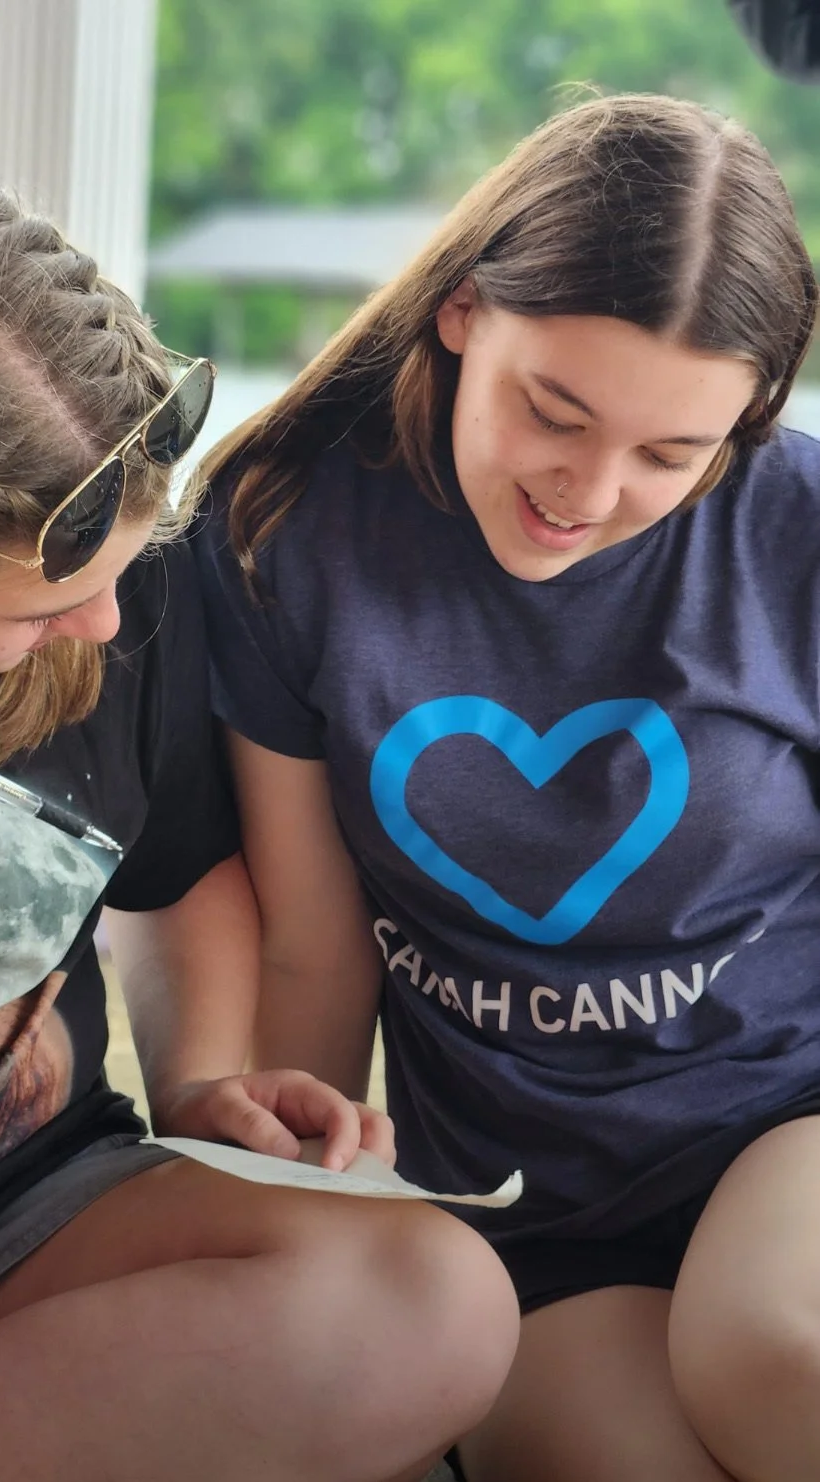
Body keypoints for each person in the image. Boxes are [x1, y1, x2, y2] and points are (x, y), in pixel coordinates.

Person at [0, 184, 520, 1482]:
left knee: (440, 1301)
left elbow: (177, 874)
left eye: (111, 585)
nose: (96, 628)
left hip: (29, 1228)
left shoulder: (116, 587)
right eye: (39, 610)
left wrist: (198, 1078)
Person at [194, 91, 820, 1482]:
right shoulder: (280, 529)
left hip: (790, 1134)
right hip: (515, 1217)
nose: (591, 492)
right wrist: (313, 1211)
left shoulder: (799, 540)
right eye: (557, 411)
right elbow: (313, 943)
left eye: (674, 454)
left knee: (774, 1349)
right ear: (464, 309)